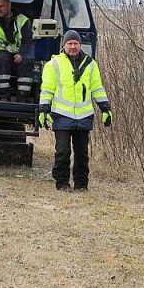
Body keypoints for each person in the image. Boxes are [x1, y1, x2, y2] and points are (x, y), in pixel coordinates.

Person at [38, 30, 112, 192]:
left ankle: (81, 184)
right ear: (64, 45)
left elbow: (97, 88)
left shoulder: (91, 64)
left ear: (80, 45)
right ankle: (62, 183)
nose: (72, 46)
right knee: (63, 151)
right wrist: (43, 110)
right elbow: (47, 89)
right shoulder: (53, 64)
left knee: (82, 153)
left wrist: (105, 108)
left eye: (75, 43)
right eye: (69, 43)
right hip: (61, 115)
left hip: (84, 116)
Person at [0, 0, 33, 101]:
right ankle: (4, 97)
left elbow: (28, 40)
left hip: (19, 53)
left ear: (9, 5)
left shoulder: (23, 20)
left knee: (26, 62)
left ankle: (22, 98)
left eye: (1, 6)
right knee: (2, 59)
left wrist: (21, 54)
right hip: (1, 53)